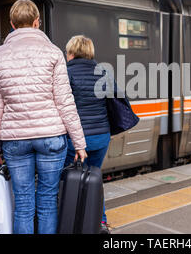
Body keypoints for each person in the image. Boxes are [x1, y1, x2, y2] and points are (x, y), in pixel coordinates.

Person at [0, 0, 87, 234]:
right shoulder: (53, 53)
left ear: (11, 24)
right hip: (51, 137)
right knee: (48, 201)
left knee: (22, 204)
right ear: (37, 22)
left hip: (15, 140)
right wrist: (79, 143)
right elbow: (65, 101)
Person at [64, 35, 112, 234]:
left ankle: (73, 223)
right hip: (101, 136)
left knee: (70, 180)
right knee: (93, 178)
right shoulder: (103, 72)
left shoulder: (66, 73)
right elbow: (116, 100)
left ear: (72, 53)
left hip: (75, 140)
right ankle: (99, 222)